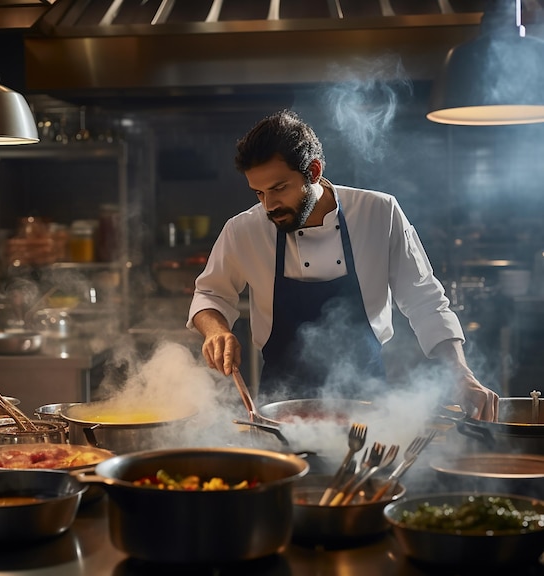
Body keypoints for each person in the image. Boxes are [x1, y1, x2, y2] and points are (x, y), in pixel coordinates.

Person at [186, 110, 499, 422]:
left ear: (314, 171)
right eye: (259, 192)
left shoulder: (379, 212)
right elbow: (210, 294)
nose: (269, 205)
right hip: (279, 404)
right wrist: (215, 331)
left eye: (279, 188)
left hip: (367, 402)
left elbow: (425, 300)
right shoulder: (244, 229)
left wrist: (460, 372)